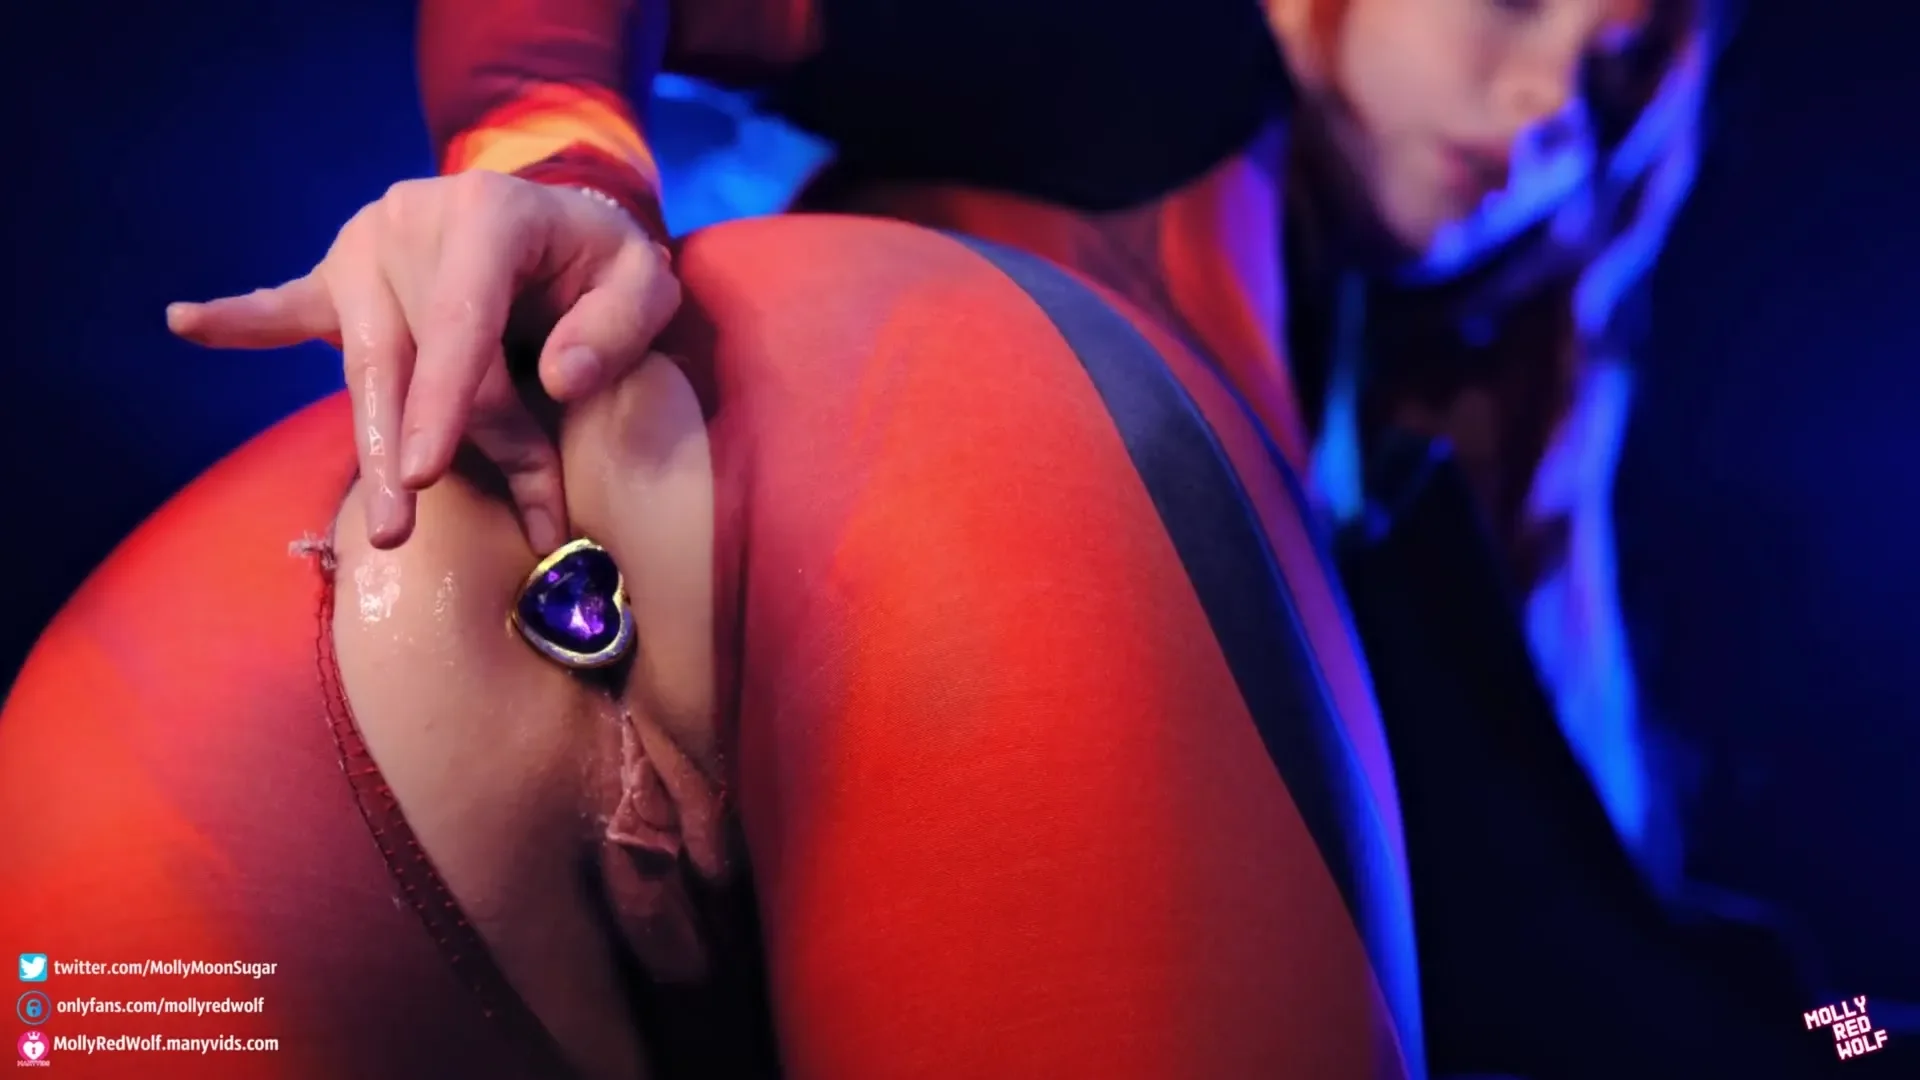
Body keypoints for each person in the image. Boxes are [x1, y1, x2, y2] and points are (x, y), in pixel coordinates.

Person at [2, 213, 1420, 1078]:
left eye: (1561, 155)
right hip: (931, 522)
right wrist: (548, 171)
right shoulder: (1184, 76)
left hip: (115, 828)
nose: (1531, 122)